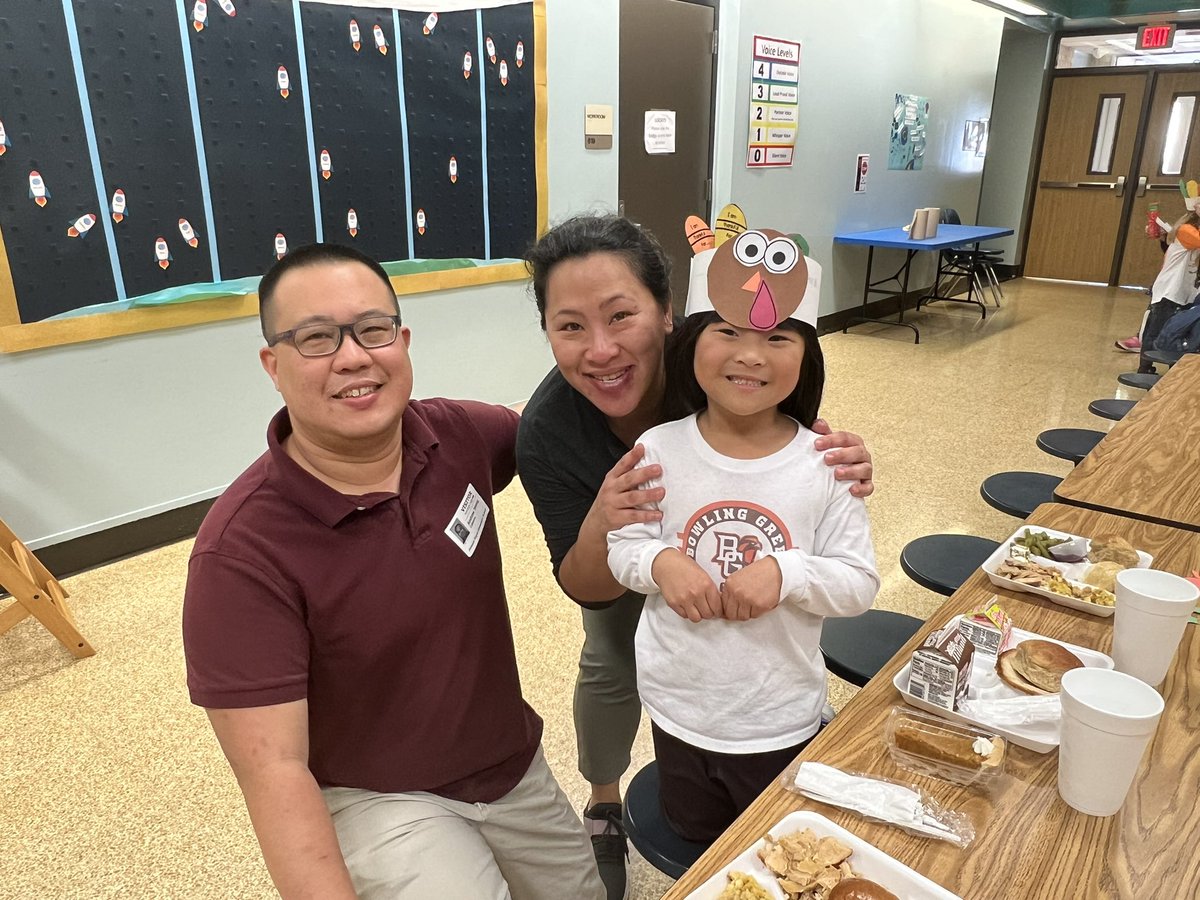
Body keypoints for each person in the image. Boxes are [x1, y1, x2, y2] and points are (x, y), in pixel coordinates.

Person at [182, 243, 605, 900]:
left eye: (372, 330)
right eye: (316, 339)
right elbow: (275, 773)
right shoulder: (240, 553)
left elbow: (562, 434)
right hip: (380, 799)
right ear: (273, 364)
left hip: (508, 761)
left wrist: (766, 438)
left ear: (402, 340)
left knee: (581, 895)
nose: (353, 356)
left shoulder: (460, 437)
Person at [516, 214, 874, 896]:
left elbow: (794, 447)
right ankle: (603, 801)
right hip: (643, 581)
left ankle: (783, 718)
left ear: (668, 314)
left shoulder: (715, 365)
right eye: (569, 326)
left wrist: (837, 467)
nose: (600, 350)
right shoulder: (552, 431)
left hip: (770, 665)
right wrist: (620, 527)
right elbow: (588, 583)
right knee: (610, 652)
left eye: (621, 315)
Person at [605, 227, 880, 841]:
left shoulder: (824, 463)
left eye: (777, 338)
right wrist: (660, 564)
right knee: (698, 842)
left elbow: (858, 583)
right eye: (726, 332)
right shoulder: (658, 448)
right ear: (691, 344)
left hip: (776, 716)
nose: (751, 356)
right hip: (677, 709)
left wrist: (788, 571)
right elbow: (622, 548)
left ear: (807, 355)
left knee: (775, 852)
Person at [1114, 204, 1200, 366]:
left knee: (1177, 332)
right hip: (1169, 292)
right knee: (1154, 332)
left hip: (1184, 293)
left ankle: (1172, 370)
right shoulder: (1186, 230)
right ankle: (1145, 369)